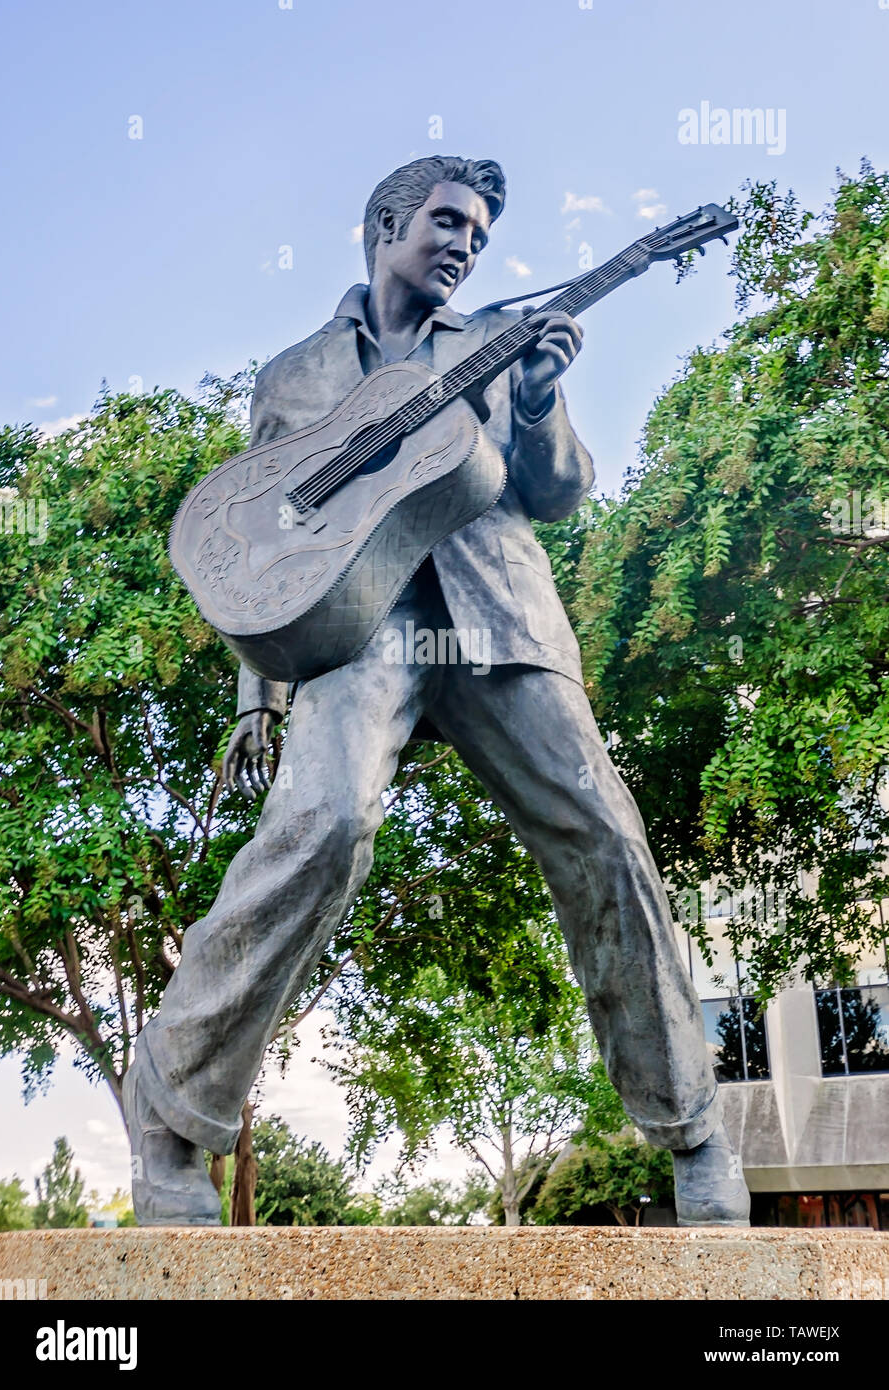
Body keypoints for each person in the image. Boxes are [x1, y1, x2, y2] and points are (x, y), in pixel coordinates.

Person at [124, 155, 750, 1228]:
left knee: (604, 833)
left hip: (498, 612)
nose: (465, 243)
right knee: (318, 826)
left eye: (479, 232)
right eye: (447, 222)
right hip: (357, 633)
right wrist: (255, 701)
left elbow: (556, 489)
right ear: (384, 225)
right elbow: (253, 548)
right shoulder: (296, 373)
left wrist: (543, 401)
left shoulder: (497, 343)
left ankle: (693, 1131)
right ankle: (171, 1118)